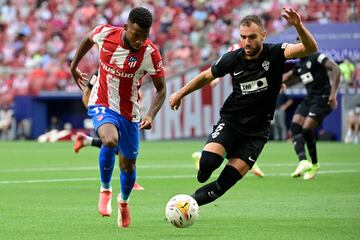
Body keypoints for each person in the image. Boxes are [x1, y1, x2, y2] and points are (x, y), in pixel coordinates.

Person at [169, 8, 317, 207]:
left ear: (263, 35)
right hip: (231, 122)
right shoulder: (233, 58)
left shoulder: (275, 52)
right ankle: (202, 168)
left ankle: (187, 206)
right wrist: (179, 94)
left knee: (223, 184)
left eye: (252, 37)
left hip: (256, 134)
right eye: (243, 37)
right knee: (207, 166)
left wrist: (298, 25)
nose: (247, 42)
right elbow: (206, 76)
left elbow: (309, 48)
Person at [70, 7, 166, 227]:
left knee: (128, 165)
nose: (140, 41)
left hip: (130, 112)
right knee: (109, 139)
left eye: (144, 36)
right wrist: (74, 66)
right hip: (102, 101)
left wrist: (150, 114)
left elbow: (161, 89)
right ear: (125, 28)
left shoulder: (150, 53)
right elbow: (87, 38)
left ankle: (123, 202)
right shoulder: (106, 34)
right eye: (136, 35)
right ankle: (105, 189)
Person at [73, 74, 144, 190]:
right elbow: (86, 94)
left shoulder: (128, 71)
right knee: (117, 144)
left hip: (124, 114)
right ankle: (128, 179)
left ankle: (87, 141)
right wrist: (96, 113)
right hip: (107, 114)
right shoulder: (100, 72)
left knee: (121, 147)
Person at [283, 42, 340, 180]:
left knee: (307, 129)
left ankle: (314, 164)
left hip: (323, 98)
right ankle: (303, 161)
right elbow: (288, 76)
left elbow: (335, 68)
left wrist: (333, 94)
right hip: (309, 98)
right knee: (295, 126)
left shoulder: (316, 56)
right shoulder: (299, 65)